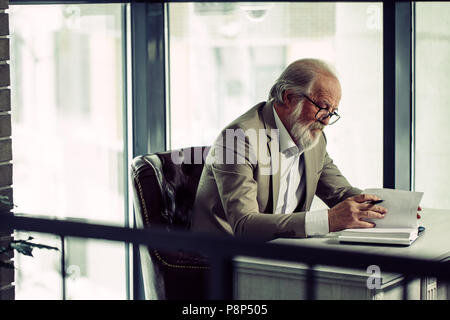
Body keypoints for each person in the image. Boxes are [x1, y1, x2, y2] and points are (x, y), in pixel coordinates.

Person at [190, 58, 389, 242]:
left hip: (282, 251)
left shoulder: (314, 138)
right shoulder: (239, 137)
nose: (326, 120)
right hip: (223, 256)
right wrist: (328, 220)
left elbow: (341, 193)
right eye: (322, 107)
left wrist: (390, 208)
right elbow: (244, 225)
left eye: (332, 112)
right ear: (289, 97)